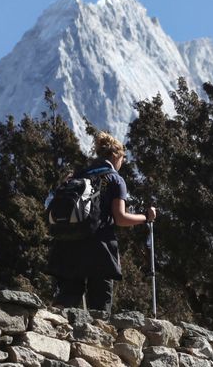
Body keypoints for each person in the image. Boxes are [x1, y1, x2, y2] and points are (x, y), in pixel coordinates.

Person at [48, 131, 156, 313]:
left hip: (67, 244)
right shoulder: (114, 179)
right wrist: (146, 217)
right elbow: (121, 218)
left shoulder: (79, 175)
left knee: (67, 296)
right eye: (122, 158)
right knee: (99, 305)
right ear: (116, 156)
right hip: (100, 247)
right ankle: (96, 338)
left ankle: (47, 329)